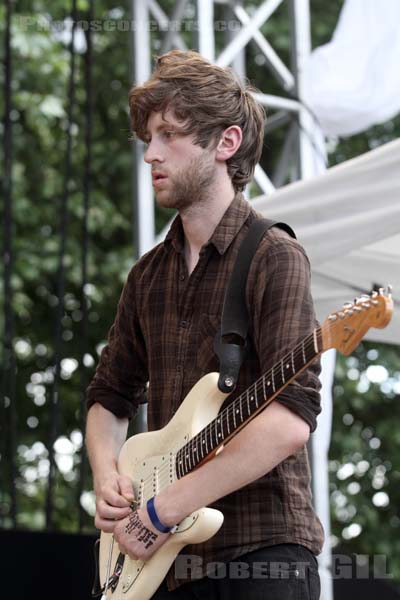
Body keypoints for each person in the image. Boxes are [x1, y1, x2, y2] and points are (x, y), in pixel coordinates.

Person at [86, 49, 324, 599]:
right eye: (148, 137)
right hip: (165, 567)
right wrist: (108, 478)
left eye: (169, 134)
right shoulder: (146, 276)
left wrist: (165, 508)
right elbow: (108, 395)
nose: (151, 153)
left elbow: (292, 421)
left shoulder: (274, 255)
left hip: (262, 555)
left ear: (226, 143)